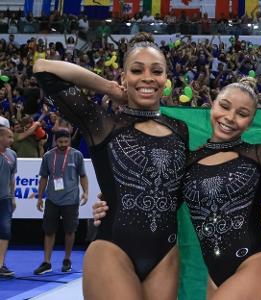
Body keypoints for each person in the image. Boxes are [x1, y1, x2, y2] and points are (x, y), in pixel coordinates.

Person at [33, 32, 189, 299]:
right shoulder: (103, 126)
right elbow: (43, 69)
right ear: (123, 77)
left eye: (157, 71)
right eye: (136, 70)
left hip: (166, 255)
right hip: (113, 249)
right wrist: (107, 87)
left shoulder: (182, 130)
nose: (147, 77)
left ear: (166, 80)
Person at [182, 77, 261, 299]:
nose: (230, 118)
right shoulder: (188, 161)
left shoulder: (259, 154)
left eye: (242, 113)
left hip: (258, 264)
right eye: (225, 106)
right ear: (213, 104)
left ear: (251, 121)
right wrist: (108, 203)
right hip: (215, 276)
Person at [34, 129, 88, 275]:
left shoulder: (76, 155)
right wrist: (40, 197)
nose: (63, 144)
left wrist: (86, 192)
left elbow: (83, 175)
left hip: (71, 199)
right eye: (60, 142)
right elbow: (44, 178)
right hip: (52, 199)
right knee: (49, 231)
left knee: (70, 231)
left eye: (66, 141)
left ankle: (67, 259)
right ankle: (46, 262)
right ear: (55, 141)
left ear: (69, 140)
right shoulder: (48, 156)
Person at [0, 127, 15, 277]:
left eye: (12, 137)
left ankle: (0, 264)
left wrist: (13, 197)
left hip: (5, 199)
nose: (12, 139)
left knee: (5, 232)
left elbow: (12, 178)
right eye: (9, 137)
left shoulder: (13, 155)